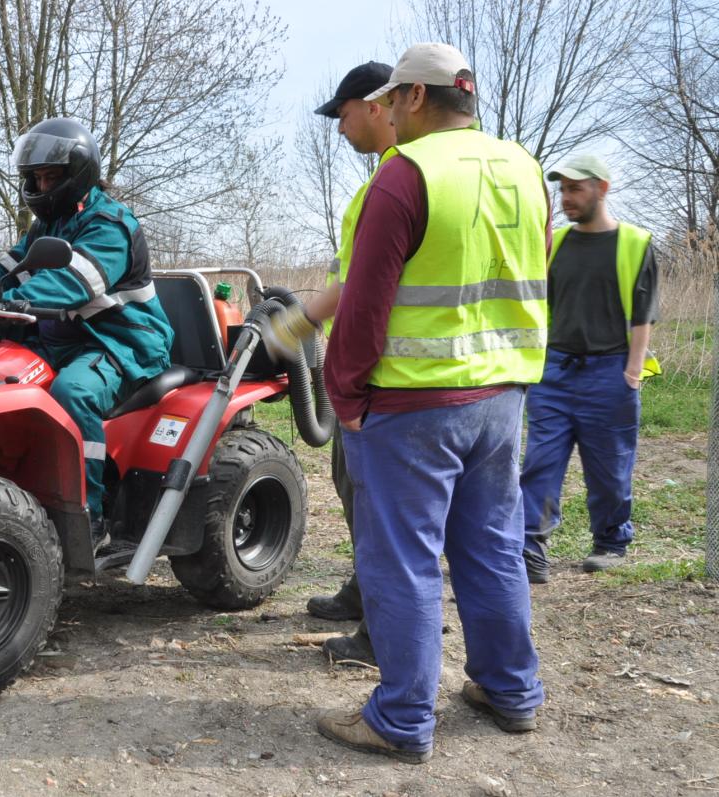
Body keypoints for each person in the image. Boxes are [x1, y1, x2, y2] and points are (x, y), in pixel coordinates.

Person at [264, 43, 548, 763]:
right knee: (491, 547)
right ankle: (511, 690)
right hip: (501, 397)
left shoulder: (405, 177)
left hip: (413, 406)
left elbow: (363, 308)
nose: (387, 111)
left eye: (392, 100)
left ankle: (400, 717)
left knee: (402, 561)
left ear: (417, 98)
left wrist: (346, 394)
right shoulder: (524, 169)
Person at [0, 117, 174, 551]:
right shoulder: (48, 225)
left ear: (76, 176)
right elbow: (5, 270)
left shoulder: (111, 225)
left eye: (50, 177)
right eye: (35, 178)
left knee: (73, 392)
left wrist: (5, 305)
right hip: (60, 337)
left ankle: (89, 519)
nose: (41, 186)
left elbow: (71, 283)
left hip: (120, 341)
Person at [520, 155, 659, 582]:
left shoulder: (635, 243)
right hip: (555, 371)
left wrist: (632, 373)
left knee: (610, 467)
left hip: (610, 373)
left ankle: (611, 542)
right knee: (540, 462)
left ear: (602, 187)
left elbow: (643, 315)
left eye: (575, 189)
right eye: (562, 190)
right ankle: (531, 548)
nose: (566, 198)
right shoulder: (556, 244)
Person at [301, 60, 397, 668]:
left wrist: (289, 326)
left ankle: (378, 629)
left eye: (342, 113)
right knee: (357, 494)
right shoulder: (387, 180)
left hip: (384, 380)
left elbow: (358, 290)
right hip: (391, 376)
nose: (338, 128)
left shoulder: (395, 184)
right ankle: (364, 595)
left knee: (377, 505)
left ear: (377, 105)